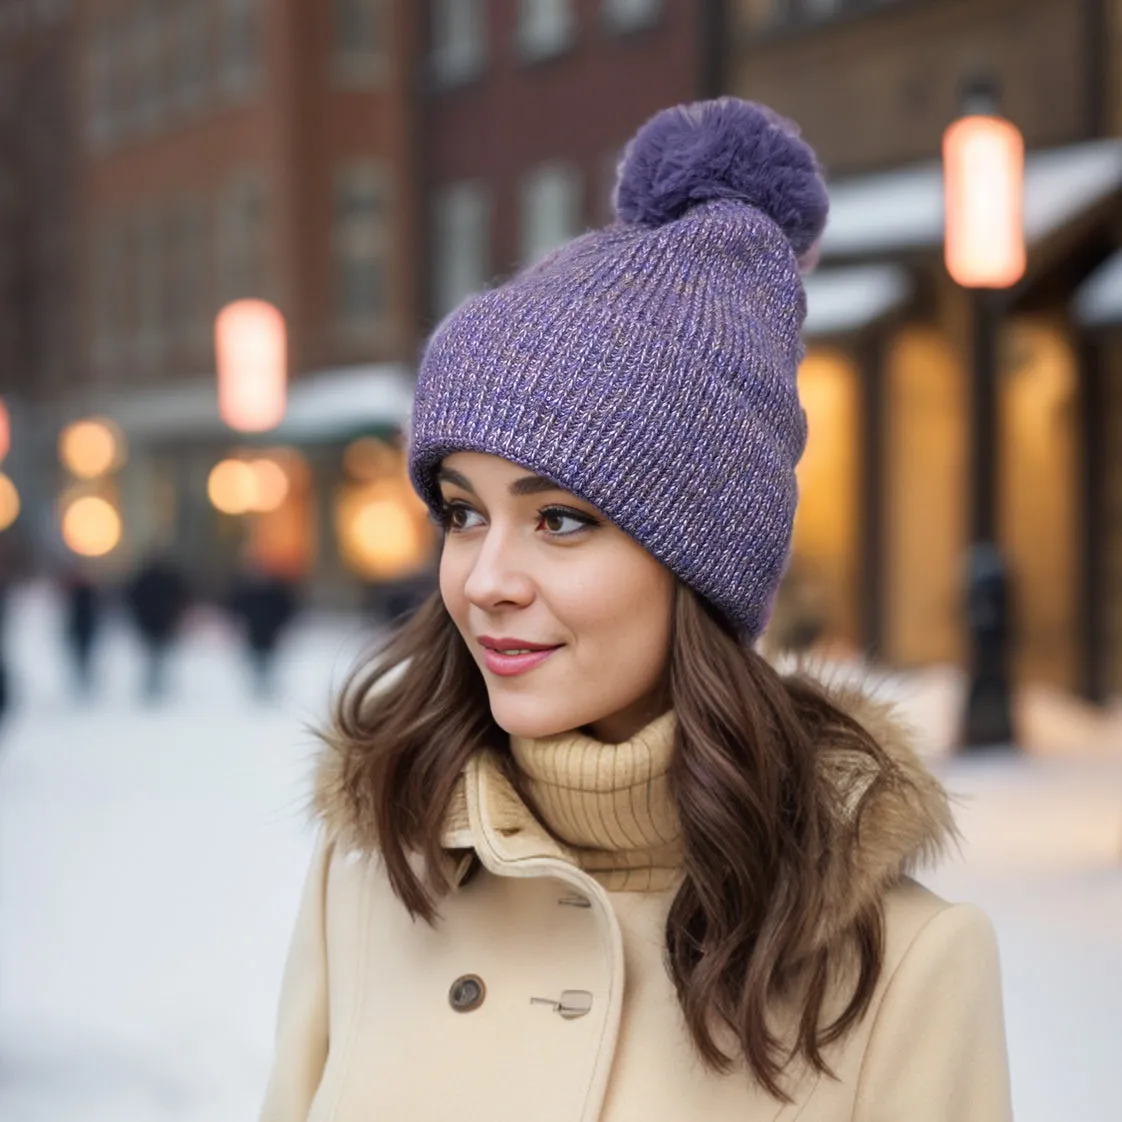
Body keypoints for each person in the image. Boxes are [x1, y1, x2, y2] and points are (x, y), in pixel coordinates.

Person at [259, 99, 1012, 1121]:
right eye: (463, 513)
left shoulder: (905, 969)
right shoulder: (369, 887)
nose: (486, 580)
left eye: (562, 520)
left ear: (700, 563)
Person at [124, 555, 189, 701]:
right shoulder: (163, 580)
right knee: (158, 655)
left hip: (155, 624)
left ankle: (155, 683)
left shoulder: (145, 580)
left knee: (154, 655)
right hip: (159, 623)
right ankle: (156, 683)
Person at [227, 565, 299, 699]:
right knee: (256, 659)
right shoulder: (248, 591)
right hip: (254, 631)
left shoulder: (277, 591)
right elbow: (238, 607)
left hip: (270, 632)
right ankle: (258, 686)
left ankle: (266, 687)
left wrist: (279, 625)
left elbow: (286, 609)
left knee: (268, 660)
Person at [62, 569, 101, 696]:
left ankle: (84, 677)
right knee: (81, 654)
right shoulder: (79, 594)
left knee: (83, 654)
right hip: (81, 627)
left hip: (84, 627)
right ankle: (82, 677)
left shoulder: (81, 594)